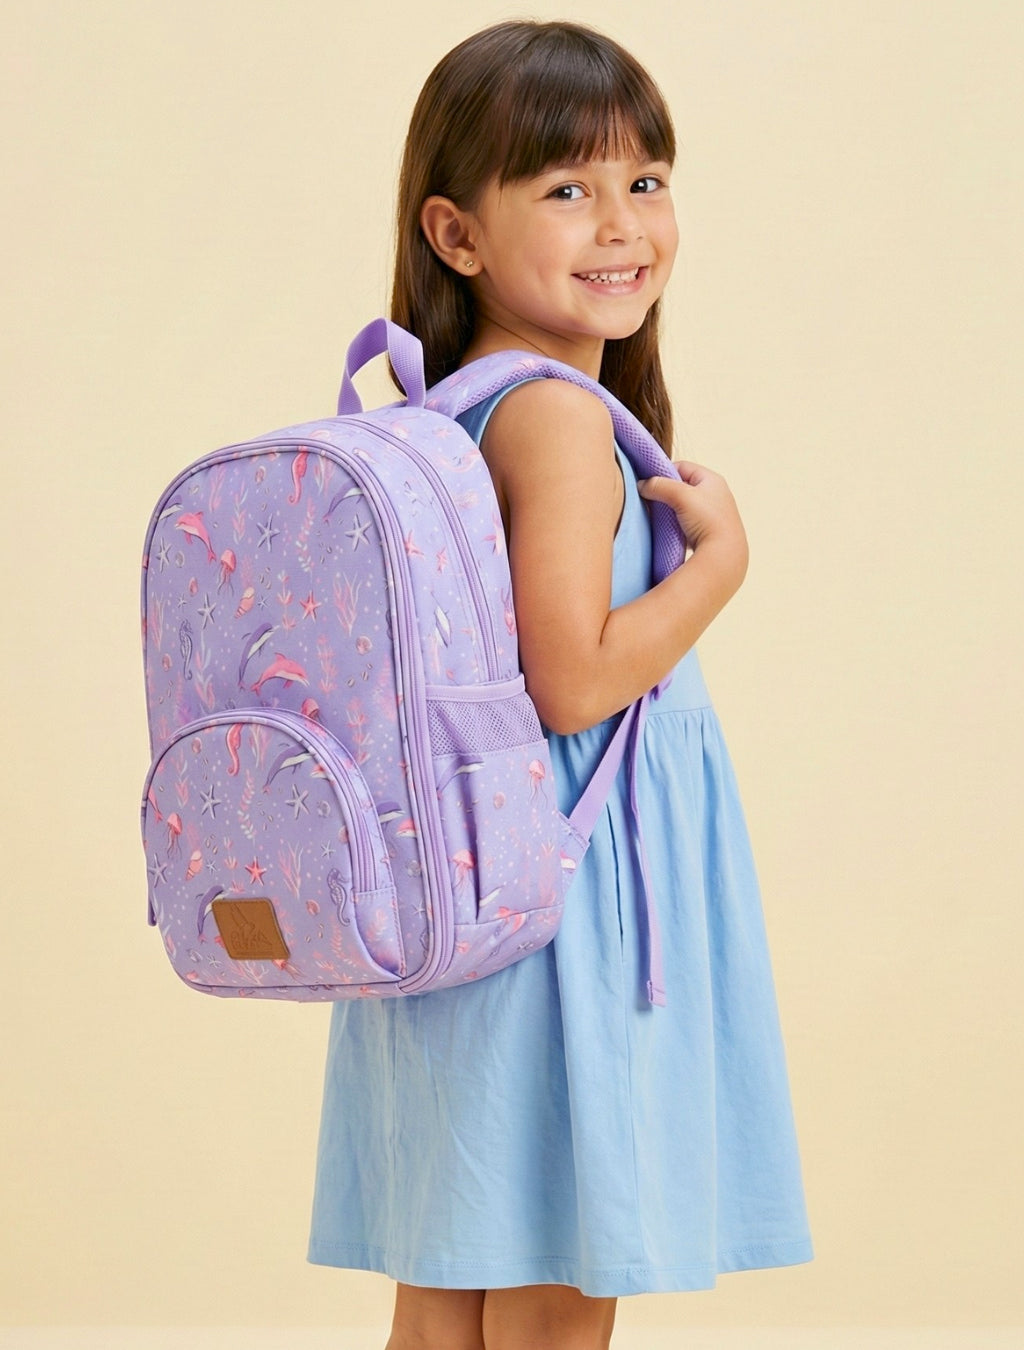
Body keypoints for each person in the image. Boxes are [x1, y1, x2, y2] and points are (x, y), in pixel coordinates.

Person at [307, 19, 814, 1350]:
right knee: (558, 1288)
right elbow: (574, 680)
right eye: (566, 188)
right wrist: (720, 564)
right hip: (568, 914)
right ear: (455, 234)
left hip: (466, 902)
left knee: (450, 1283)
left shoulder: (446, 405)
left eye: (646, 181)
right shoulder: (558, 415)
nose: (622, 224)